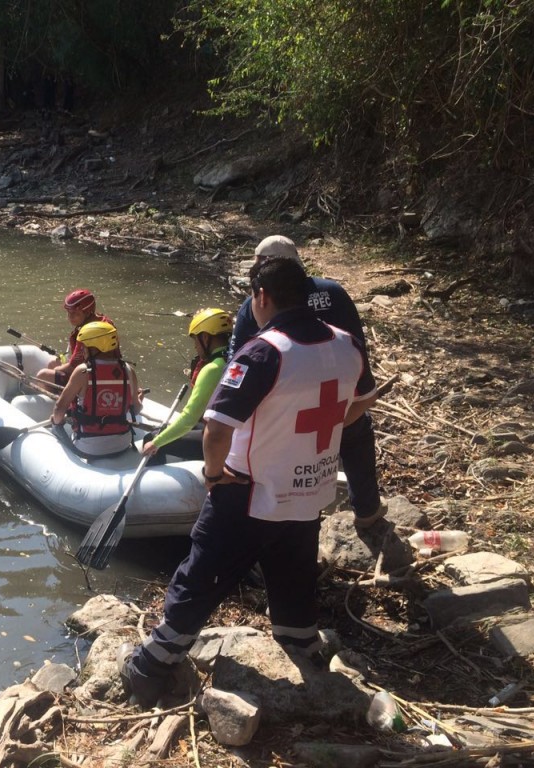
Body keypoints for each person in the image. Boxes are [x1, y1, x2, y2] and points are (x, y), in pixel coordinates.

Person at [120, 256, 378, 708]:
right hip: (309, 490)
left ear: (261, 296)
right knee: (293, 570)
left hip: (250, 490)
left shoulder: (263, 351)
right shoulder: (346, 344)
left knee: (201, 574)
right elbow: (360, 404)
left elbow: (216, 429)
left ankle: (152, 665)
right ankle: (302, 642)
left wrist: (215, 475)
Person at [228, 235, 385, 528]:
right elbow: (357, 346)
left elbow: (236, 364)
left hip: (285, 411)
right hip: (339, 400)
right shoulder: (333, 292)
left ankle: (282, 521)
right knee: (356, 436)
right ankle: (367, 511)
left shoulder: (255, 304)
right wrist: (358, 395)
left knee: (285, 467)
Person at [141, 308, 233, 463]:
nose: (195, 346)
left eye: (195, 340)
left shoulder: (212, 369)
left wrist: (156, 442)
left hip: (216, 440)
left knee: (151, 437)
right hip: (230, 434)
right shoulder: (235, 359)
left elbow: (189, 418)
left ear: (205, 337)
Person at [50, 320, 141, 458]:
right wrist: (138, 400)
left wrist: (57, 421)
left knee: (56, 426)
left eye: (83, 347)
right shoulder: (128, 370)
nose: (82, 350)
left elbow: (59, 407)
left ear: (93, 347)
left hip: (89, 448)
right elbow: (136, 409)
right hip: (123, 444)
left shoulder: (83, 371)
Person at [35, 289, 116, 388]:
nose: (70, 317)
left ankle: (62, 398)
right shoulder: (104, 322)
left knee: (43, 375)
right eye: (69, 313)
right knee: (53, 363)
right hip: (100, 370)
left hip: (91, 378)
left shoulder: (88, 333)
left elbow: (72, 367)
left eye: (75, 313)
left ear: (87, 312)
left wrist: (54, 371)